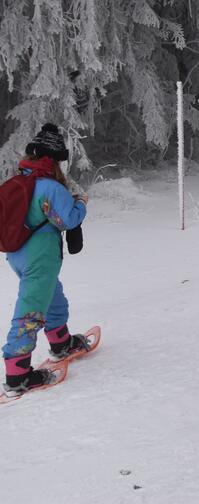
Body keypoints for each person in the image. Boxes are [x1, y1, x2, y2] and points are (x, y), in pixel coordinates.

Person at [3, 123, 91, 396]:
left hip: (17, 254)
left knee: (52, 297)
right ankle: (17, 375)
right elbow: (68, 219)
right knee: (29, 313)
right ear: (53, 161)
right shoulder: (50, 187)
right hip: (40, 257)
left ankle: (61, 343)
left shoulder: (17, 182)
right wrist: (81, 203)